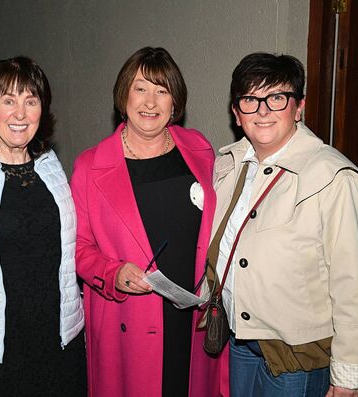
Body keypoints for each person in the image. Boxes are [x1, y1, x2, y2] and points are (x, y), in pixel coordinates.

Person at [210, 52, 358, 396]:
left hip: (296, 360)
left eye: (276, 98)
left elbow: (357, 288)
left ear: (299, 106)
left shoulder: (334, 178)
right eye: (250, 99)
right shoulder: (231, 168)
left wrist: (351, 378)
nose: (262, 111)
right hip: (242, 346)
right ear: (236, 111)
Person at [70, 47, 228, 397]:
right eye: (141, 88)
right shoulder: (90, 166)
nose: (150, 102)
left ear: (175, 102)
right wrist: (113, 274)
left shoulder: (199, 148)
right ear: (123, 94)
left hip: (191, 315)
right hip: (128, 319)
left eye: (162, 90)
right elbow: (77, 247)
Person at [0, 56, 85, 396]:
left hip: (57, 336)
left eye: (31, 101)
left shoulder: (50, 164)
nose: (21, 114)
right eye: (8, 100)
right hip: (0, 345)